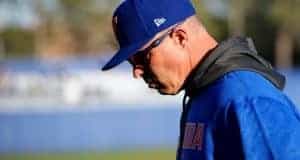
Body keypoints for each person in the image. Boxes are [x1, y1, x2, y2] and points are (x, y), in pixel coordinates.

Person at [102, 0, 300, 159]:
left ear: (180, 37)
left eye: (141, 58)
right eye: (131, 62)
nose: (137, 72)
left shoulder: (245, 99)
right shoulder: (204, 91)